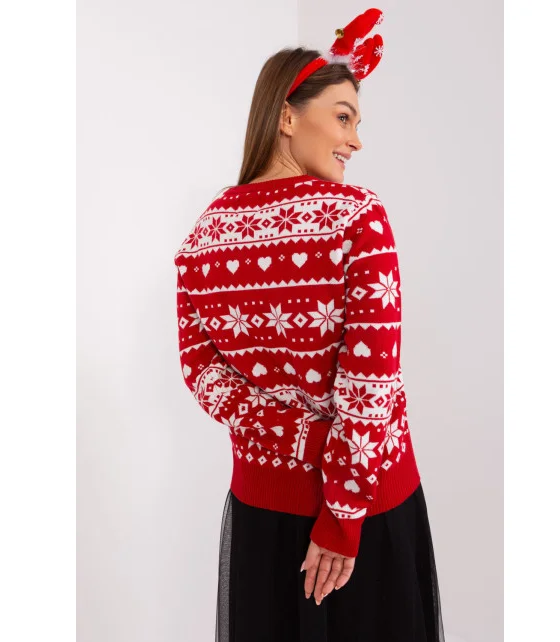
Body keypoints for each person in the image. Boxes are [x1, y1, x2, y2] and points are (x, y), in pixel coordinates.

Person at [174, 9, 445, 641]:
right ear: (287, 116)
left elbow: (200, 370)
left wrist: (289, 436)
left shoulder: (204, 235)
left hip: (261, 510)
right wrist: (343, 516)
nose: (356, 141)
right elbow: (370, 383)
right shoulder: (359, 218)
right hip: (364, 512)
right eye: (344, 117)